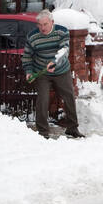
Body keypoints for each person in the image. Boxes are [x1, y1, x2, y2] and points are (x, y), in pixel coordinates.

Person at [23, 9, 82, 138]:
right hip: (42, 72)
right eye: (40, 25)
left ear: (52, 22)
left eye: (45, 24)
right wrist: (28, 71)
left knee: (69, 97)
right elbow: (27, 56)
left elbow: (64, 50)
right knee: (43, 99)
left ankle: (72, 128)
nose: (42, 28)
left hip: (61, 70)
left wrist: (55, 62)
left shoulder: (62, 31)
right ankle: (43, 132)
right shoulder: (32, 36)